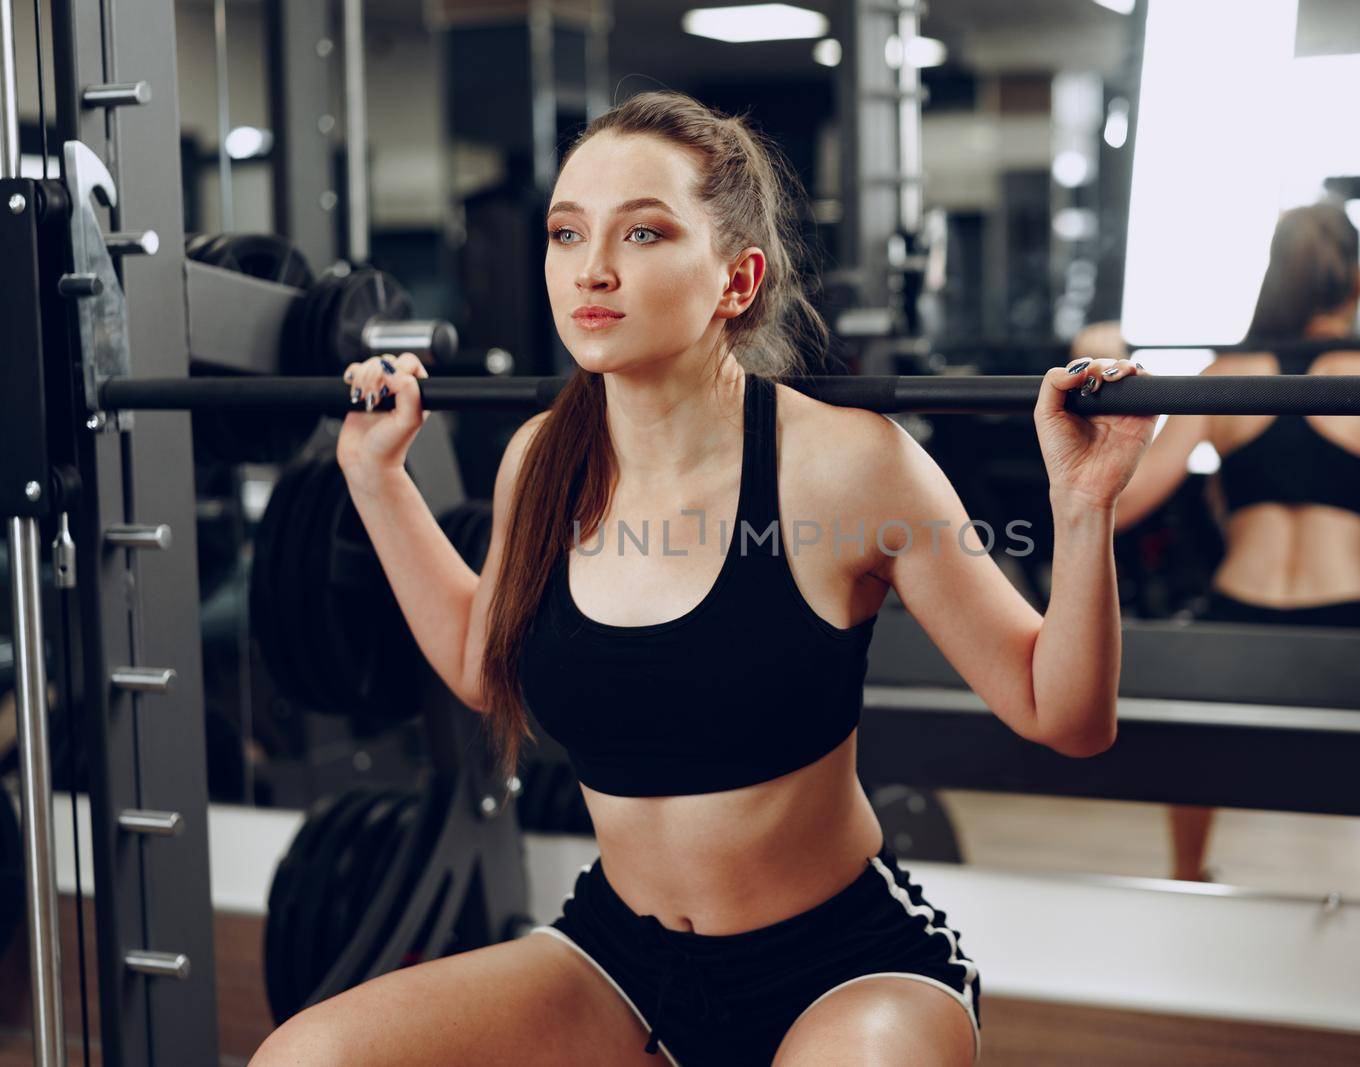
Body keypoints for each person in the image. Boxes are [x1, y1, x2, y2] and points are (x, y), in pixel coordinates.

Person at [250, 91, 1156, 1067]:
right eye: (566, 233)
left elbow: (1061, 712)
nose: (590, 268)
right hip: (618, 957)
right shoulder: (543, 459)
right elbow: (484, 665)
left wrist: (1083, 501)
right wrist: (374, 476)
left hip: (844, 966)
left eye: (642, 232)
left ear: (736, 278)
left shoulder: (847, 467)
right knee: (308, 1058)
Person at [1086, 201, 1360, 901]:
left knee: (1197, 703)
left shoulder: (1227, 376)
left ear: (1274, 278)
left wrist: (1094, 400)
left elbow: (1120, 501)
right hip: (1343, 636)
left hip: (1233, 631)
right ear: (1355, 280)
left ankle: (1185, 875)